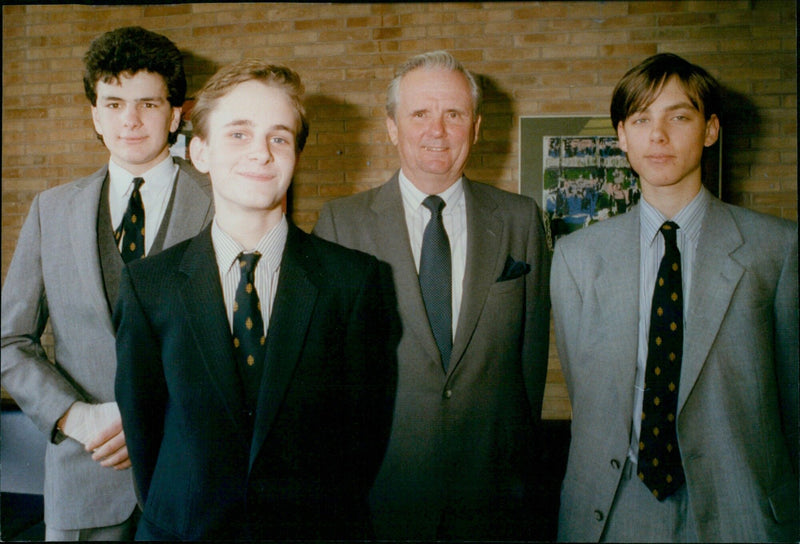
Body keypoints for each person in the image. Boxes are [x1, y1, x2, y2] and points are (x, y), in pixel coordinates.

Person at [114, 59, 398, 541]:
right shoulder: (150, 285)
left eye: (280, 137)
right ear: (199, 151)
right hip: (184, 529)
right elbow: (144, 432)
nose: (262, 153)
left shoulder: (353, 281)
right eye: (239, 134)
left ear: (295, 155)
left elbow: (363, 435)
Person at [552, 52, 798, 542]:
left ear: (710, 129)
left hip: (741, 510)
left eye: (679, 117)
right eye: (641, 119)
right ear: (622, 135)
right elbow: (591, 395)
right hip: (614, 510)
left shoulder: (779, 248)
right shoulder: (577, 256)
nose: (658, 136)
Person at [314, 50, 551, 540]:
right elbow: (324, 377)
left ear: (477, 127)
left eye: (454, 114)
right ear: (392, 128)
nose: (436, 131)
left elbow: (530, 362)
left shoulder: (520, 219)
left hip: (493, 500)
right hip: (380, 495)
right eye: (419, 113)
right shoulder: (341, 223)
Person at [1, 26, 213, 540]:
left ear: (176, 113)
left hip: (196, 480)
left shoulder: (222, 203)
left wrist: (163, 414)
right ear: (94, 113)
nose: (131, 120)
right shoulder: (51, 211)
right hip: (85, 478)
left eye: (147, 103)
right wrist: (76, 417)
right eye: (114, 103)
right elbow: (9, 341)